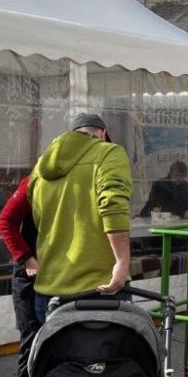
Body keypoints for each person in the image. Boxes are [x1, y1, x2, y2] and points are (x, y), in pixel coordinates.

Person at [28, 112, 133, 322]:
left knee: (58, 354)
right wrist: (122, 262)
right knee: (110, 353)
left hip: (49, 291)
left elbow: (36, 213)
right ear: (102, 133)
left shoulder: (41, 165)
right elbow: (113, 205)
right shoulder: (109, 152)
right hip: (99, 289)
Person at [0, 175, 39, 377]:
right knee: (31, 346)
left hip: (58, 277)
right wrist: (26, 258)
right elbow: (6, 221)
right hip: (29, 277)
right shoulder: (34, 182)